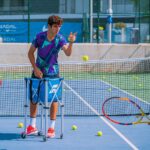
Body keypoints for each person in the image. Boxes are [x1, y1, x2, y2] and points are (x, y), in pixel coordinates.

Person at [27, 15, 76, 138]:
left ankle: (51, 128)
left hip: (53, 73)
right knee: (34, 98)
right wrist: (35, 68)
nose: (57, 29)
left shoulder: (61, 39)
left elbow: (68, 53)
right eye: (55, 26)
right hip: (38, 72)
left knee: (54, 99)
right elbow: (30, 53)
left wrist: (70, 42)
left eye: (59, 26)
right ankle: (31, 126)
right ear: (49, 26)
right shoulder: (39, 37)